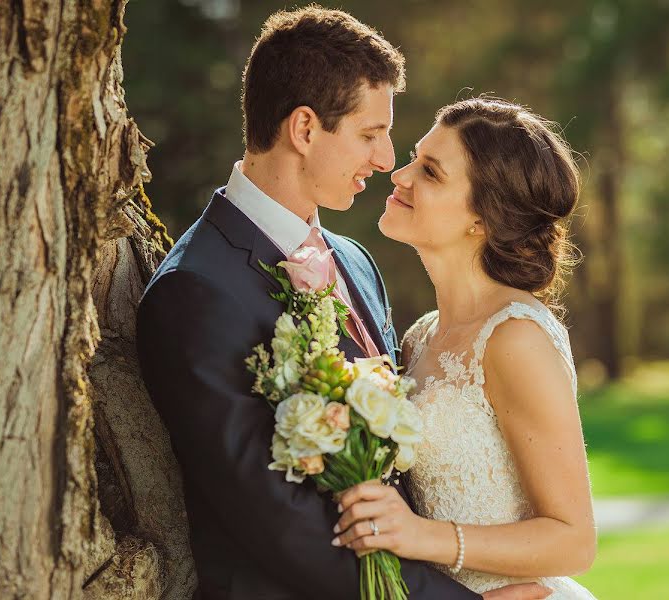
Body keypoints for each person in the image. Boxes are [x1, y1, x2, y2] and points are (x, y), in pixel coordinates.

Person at [136, 6, 551, 599]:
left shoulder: (354, 259)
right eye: (370, 134)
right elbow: (276, 522)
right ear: (304, 130)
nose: (386, 160)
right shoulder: (196, 292)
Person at [332, 98, 598, 599]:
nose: (400, 175)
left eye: (430, 173)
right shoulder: (419, 336)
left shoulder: (516, 338)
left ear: (483, 217)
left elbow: (574, 540)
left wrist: (422, 537)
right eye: (415, 157)